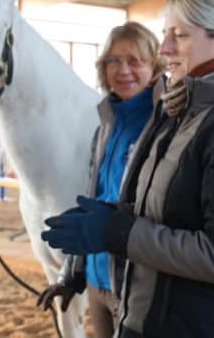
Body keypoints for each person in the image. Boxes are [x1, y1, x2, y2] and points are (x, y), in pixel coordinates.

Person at [41, 0, 214, 338]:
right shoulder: (177, 111)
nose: (166, 48)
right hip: (142, 305)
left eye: (180, 36)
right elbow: (163, 208)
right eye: (165, 35)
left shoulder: (209, 118)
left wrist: (114, 229)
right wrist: (92, 239)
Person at [37, 22, 166, 338]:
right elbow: (92, 202)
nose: (123, 70)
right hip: (97, 279)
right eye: (114, 61)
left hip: (137, 285)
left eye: (135, 61)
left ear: (155, 67)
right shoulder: (104, 127)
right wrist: (72, 272)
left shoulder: (167, 127)